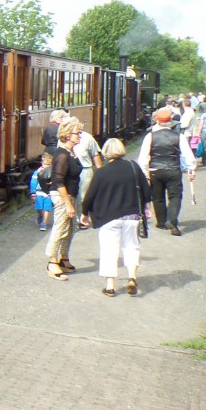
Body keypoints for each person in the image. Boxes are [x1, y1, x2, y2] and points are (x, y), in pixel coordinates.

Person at [81, 138, 151, 296]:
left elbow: (89, 197)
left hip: (109, 218)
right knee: (131, 247)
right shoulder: (133, 167)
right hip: (132, 216)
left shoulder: (101, 173)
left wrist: (84, 214)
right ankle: (132, 277)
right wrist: (147, 207)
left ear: (106, 153)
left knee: (109, 250)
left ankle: (110, 286)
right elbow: (146, 190)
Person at [137, 106, 196, 235]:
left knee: (157, 197)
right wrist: (191, 169)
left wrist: (145, 172)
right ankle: (172, 219)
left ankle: (161, 221)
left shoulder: (150, 136)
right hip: (173, 169)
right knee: (175, 196)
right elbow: (187, 154)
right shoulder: (178, 137)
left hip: (155, 170)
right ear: (170, 121)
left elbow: (143, 157)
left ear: (157, 121)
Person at [46, 117, 84, 281]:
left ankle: (63, 258)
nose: (80, 136)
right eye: (78, 133)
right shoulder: (62, 155)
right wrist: (68, 204)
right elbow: (58, 181)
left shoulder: (71, 152)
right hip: (63, 195)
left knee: (69, 228)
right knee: (60, 227)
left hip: (71, 194)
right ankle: (52, 262)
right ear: (67, 135)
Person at [72, 125, 103, 228]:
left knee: (83, 196)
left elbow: (95, 154)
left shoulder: (88, 138)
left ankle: (82, 218)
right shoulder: (64, 138)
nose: (79, 135)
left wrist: (100, 172)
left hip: (85, 169)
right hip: (71, 171)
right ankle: (74, 218)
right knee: (72, 196)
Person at [30, 152, 54, 231]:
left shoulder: (52, 173)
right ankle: (41, 215)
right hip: (39, 191)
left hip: (48, 193)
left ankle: (44, 224)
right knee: (39, 207)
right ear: (42, 163)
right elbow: (33, 182)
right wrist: (33, 193)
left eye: (48, 164)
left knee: (47, 208)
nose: (46, 166)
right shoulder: (37, 172)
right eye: (45, 164)